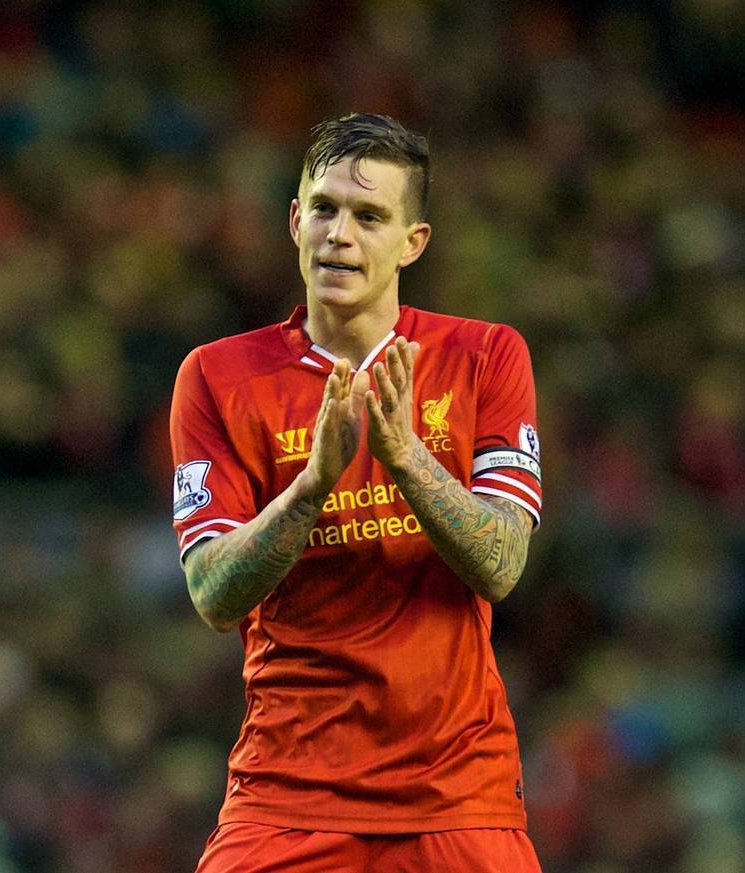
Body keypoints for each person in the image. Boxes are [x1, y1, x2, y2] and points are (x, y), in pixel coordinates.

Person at [169, 113, 544, 872]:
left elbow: (502, 564)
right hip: (289, 793)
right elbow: (212, 592)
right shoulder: (216, 376)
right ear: (294, 220)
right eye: (326, 207)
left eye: (370, 216)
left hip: (457, 796)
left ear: (414, 242)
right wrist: (311, 487)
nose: (340, 233)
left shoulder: (485, 357)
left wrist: (405, 457)